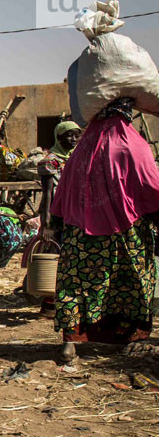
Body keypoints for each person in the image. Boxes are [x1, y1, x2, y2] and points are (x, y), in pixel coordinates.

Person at [49, 97, 159, 363]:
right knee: (129, 282)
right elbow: (151, 187)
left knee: (75, 285)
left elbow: (61, 196)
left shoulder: (81, 150)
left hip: (80, 234)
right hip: (125, 233)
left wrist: (58, 225)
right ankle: (127, 339)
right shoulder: (133, 145)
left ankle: (69, 344)